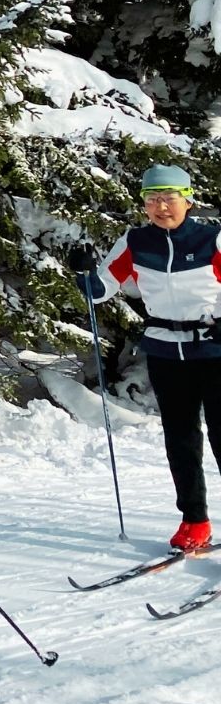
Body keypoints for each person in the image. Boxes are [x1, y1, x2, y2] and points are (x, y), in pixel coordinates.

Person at [71, 163, 221, 553]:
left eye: (168, 198)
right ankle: (194, 521)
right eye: (152, 199)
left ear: (186, 200)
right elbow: (102, 287)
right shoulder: (136, 241)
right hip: (166, 350)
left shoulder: (212, 238)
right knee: (180, 439)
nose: (160, 207)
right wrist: (85, 275)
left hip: (214, 348)